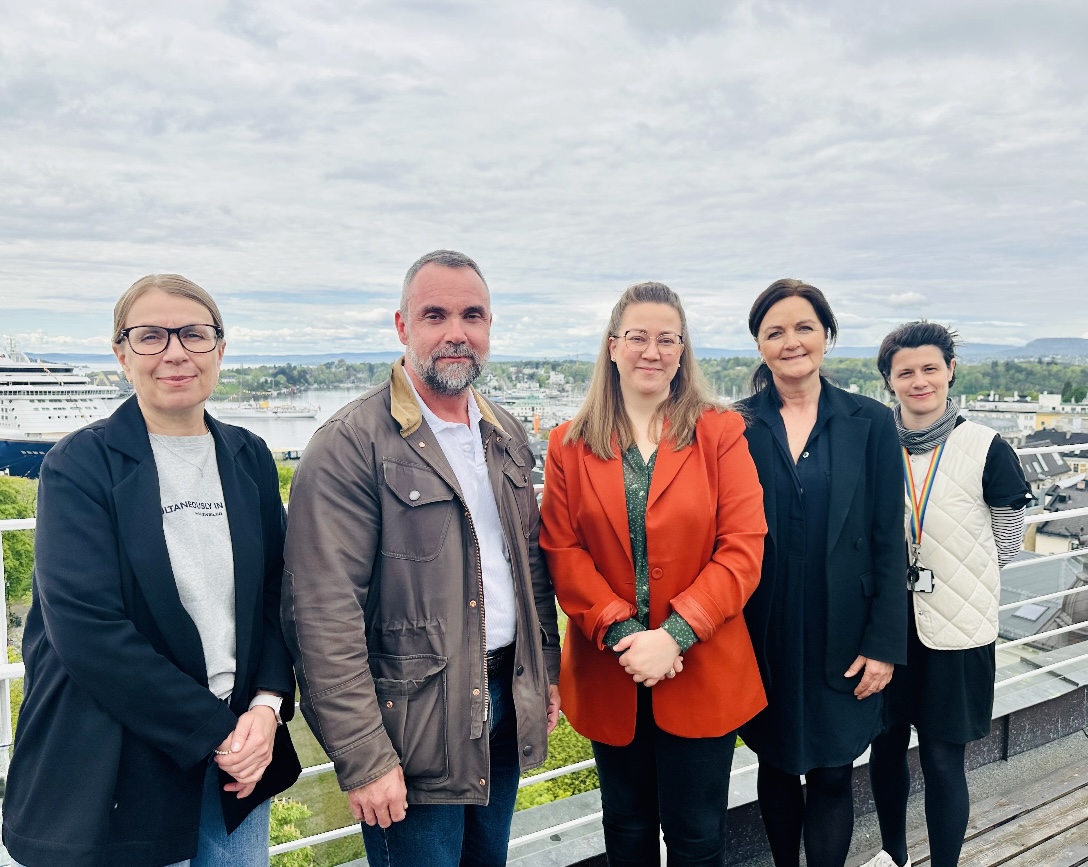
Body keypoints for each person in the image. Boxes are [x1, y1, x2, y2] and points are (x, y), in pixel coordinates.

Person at [2, 274, 301, 867]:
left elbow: (275, 592)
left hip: (242, 760)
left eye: (194, 334)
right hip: (124, 760)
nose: (174, 352)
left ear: (220, 348)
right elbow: (88, 629)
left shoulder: (247, 456)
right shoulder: (79, 466)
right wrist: (217, 733)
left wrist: (266, 708)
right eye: (149, 336)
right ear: (121, 353)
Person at [280, 250, 561, 867]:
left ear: (489, 328)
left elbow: (529, 570)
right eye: (435, 315)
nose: (456, 332)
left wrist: (544, 677)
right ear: (403, 327)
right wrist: (364, 756)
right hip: (411, 726)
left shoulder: (504, 433)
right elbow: (321, 615)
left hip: (504, 703)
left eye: (472, 315)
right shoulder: (349, 445)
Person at [539, 281, 768, 867]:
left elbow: (743, 547)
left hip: (702, 663)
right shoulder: (568, 443)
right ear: (613, 346)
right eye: (638, 337)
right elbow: (563, 553)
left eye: (668, 339)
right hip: (610, 670)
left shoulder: (720, 431)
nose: (653, 350)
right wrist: (624, 636)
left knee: (697, 839)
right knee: (627, 830)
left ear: (683, 350)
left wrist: (673, 636)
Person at [737, 279, 907, 867]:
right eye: (774, 331)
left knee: (834, 772)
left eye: (804, 327)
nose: (791, 342)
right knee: (776, 764)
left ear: (827, 337)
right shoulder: (732, 426)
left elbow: (890, 539)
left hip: (847, 628)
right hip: (765, 628)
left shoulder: (871, 422)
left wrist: (884, 644)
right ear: (758, 344)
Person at [863, 322, 1031, 867]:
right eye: (905, 372)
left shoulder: (984, 445)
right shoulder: (875, 442)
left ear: (950, 370)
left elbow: (1009, 529)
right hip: (887, 627)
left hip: (957, 629)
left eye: (929, 368)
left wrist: (963, 571)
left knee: (941, 760)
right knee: (884, 753)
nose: (919, 381)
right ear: (889, 381)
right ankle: (893, 855)